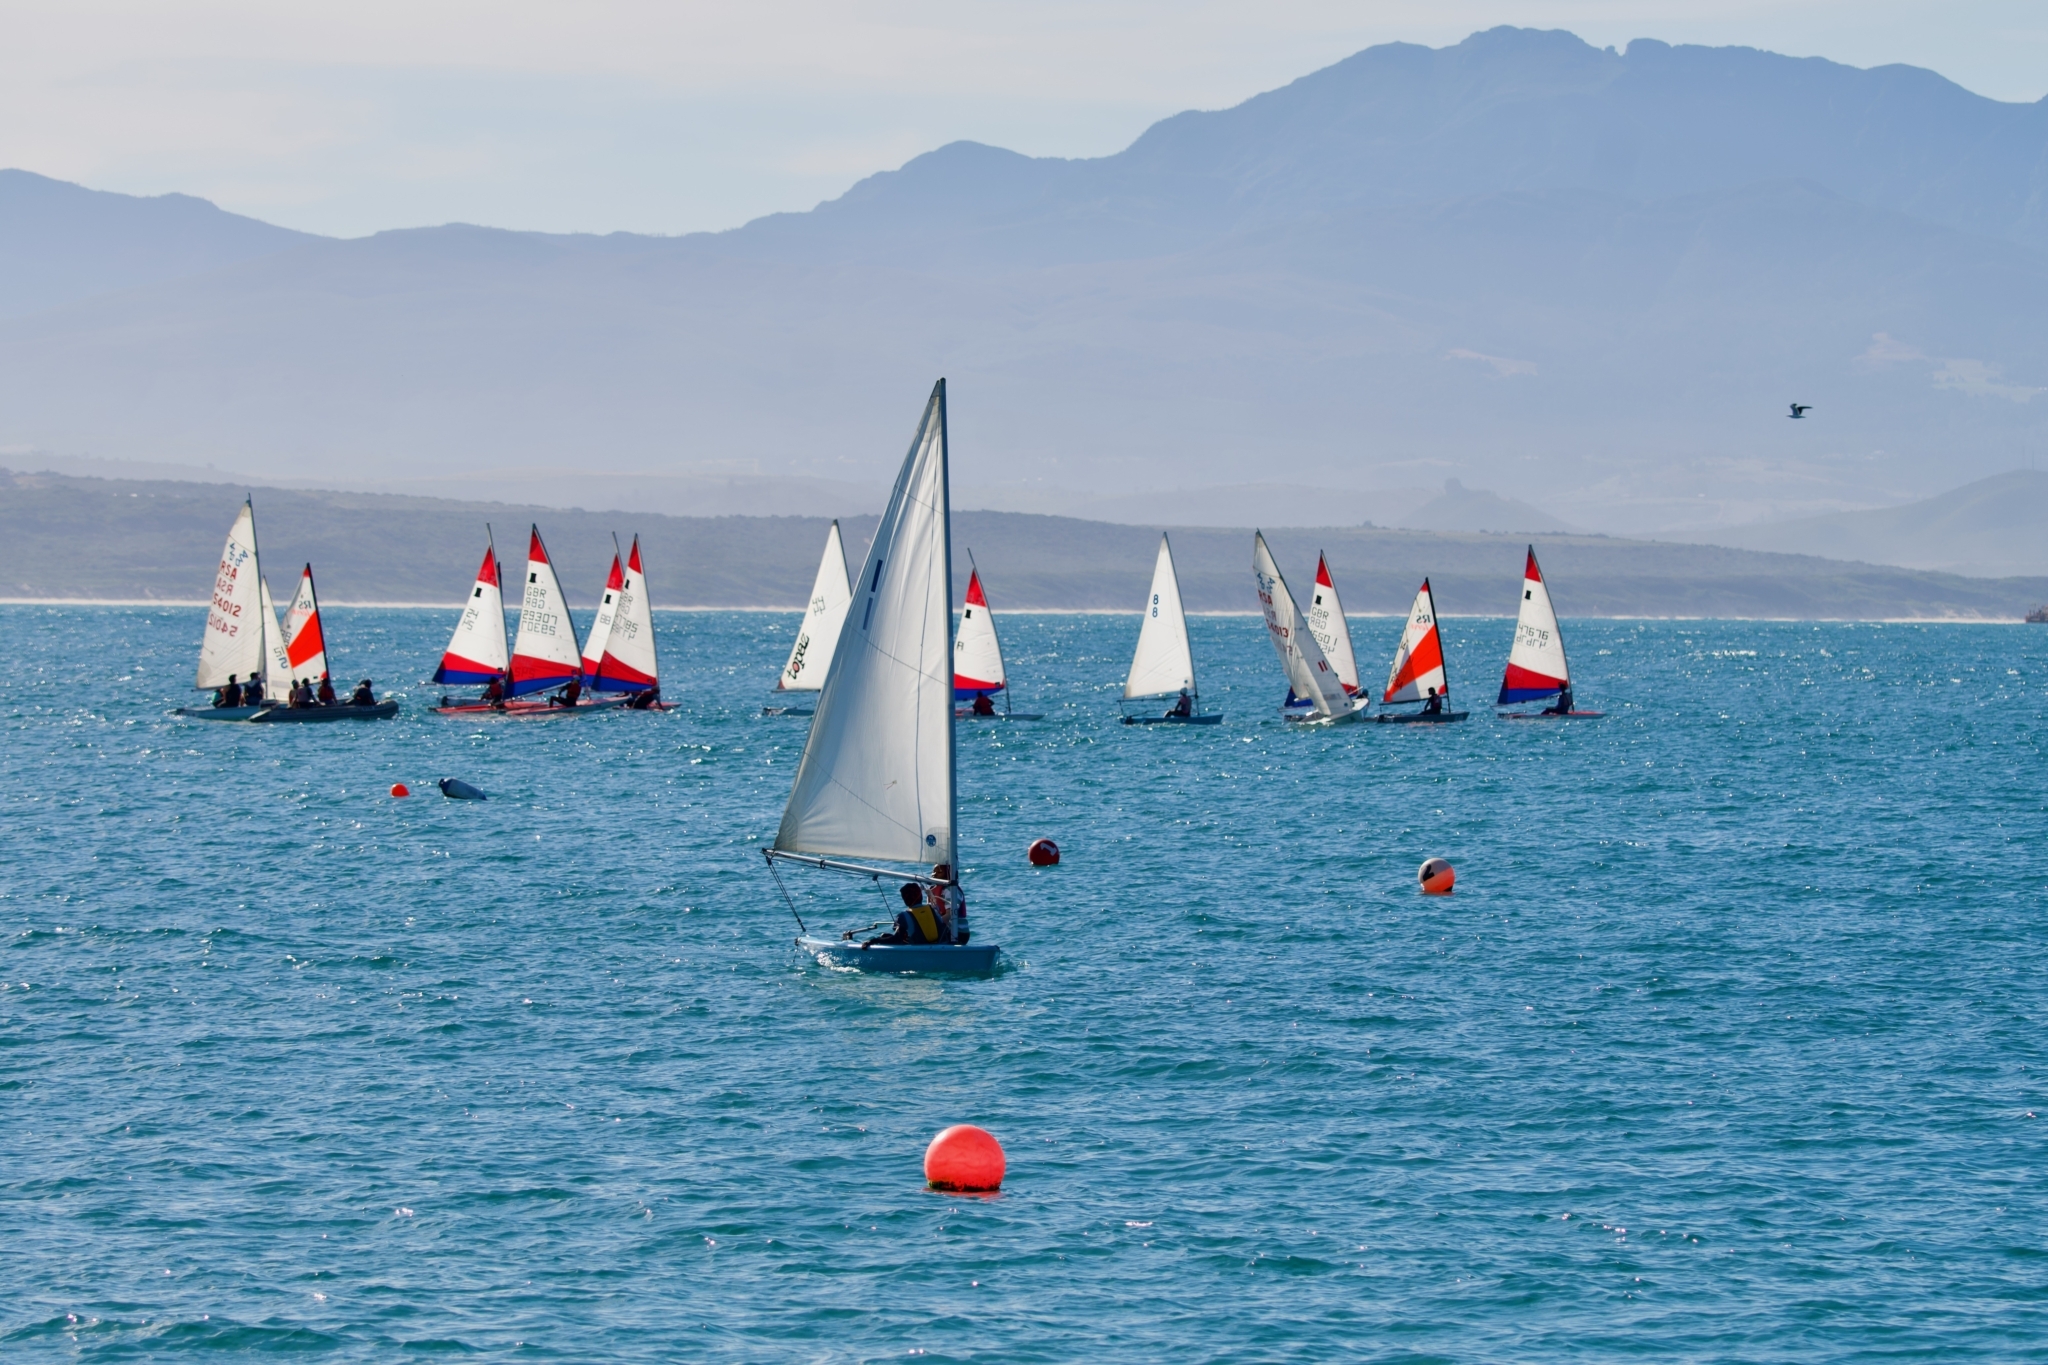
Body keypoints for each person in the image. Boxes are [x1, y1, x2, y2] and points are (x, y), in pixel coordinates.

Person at [863, 882, 944, 947]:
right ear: (921, 896)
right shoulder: (934, 908)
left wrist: (873, 941)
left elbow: (897, 940)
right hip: (941, 946)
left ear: (905, 900)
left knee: (883, 936)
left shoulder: (903, 916)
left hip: (919, 951)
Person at [928, 864, 965, 944]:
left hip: (958, 932)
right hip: (942, 929)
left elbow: (950, 914)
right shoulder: (932, 890)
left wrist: (933, 926)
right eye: (934, 871)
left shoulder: (951, 891)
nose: (934, 874)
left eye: (939, 872)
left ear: (948, 875)